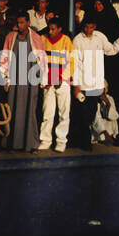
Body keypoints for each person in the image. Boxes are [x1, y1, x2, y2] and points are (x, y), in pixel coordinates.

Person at [72, 17, 119, 151]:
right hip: (84, 83)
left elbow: (112, 50)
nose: (88, 30)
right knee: (83, 113)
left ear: (94, 26)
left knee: (91, 112)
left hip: (96, 83)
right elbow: (76, 64)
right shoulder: (78, 40)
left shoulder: (100, 37)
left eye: (91, 27)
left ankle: (92, 138)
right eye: (86, 27)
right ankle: (85, 142)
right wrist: (76, 85)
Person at [0, 13, 44, 152]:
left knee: (30, 111)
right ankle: (11, 144)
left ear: (28, 22)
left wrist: (42, 79)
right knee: (12, 110)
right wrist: (4, 77)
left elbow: (42, 60)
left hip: (31, 80)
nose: (20, 25)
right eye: (18, 23)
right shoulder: (11, 37)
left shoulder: (35, 38)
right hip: (15, 79)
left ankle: (30, 144)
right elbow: (5, 57)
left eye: (22, 22)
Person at [38, 20, 76, 152]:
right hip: (48, 81)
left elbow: (72, 61)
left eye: (53, 29)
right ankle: (45, 140)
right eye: (49, 29)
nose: (50, 31)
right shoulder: (43, 39)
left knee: (63, 113)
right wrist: (44, 79)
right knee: (47, 112)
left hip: (62, 82)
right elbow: (40, 61)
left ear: (59, 29)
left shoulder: (66, 40)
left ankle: (61, 141)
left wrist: (62, 77)